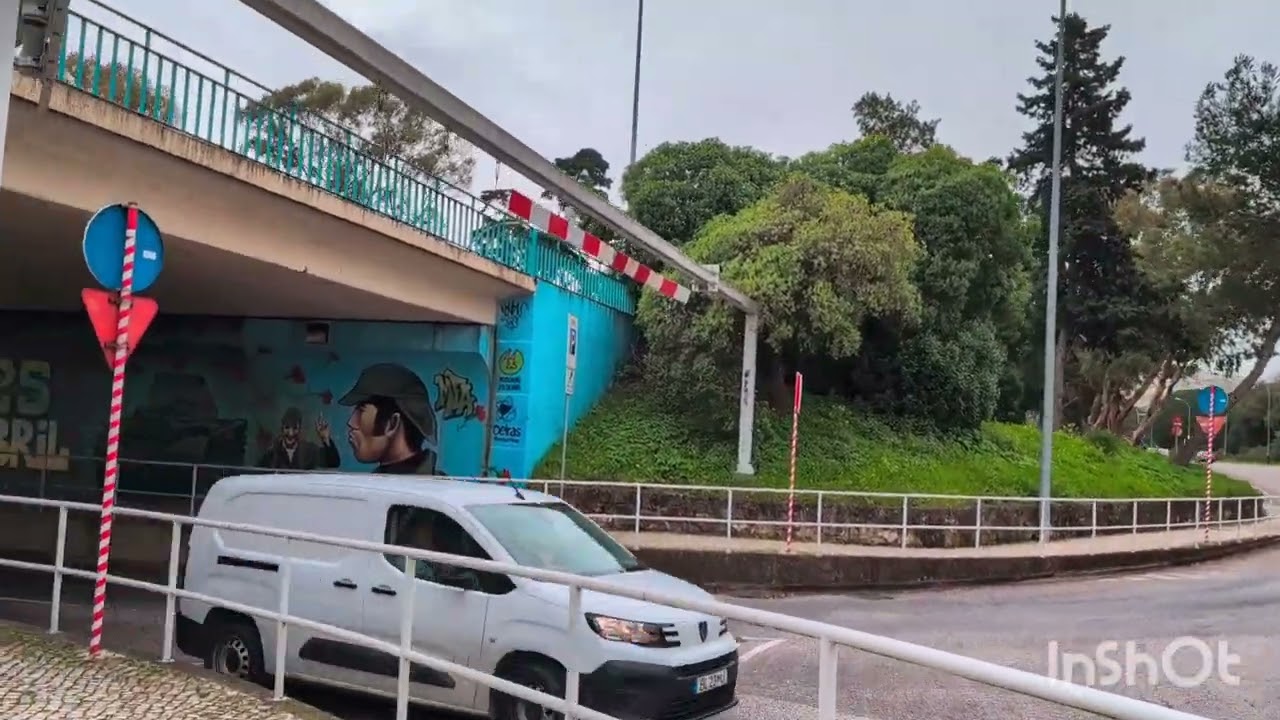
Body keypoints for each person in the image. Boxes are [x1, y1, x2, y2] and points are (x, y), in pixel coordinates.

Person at [339, 363, 440, 475]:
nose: (351, 422)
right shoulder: (381, 480)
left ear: (392, 423)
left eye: (361, 411)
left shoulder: (436, 485)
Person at [257, 407, 340, 470]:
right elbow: (256, 474)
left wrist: (326, 438)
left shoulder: (310, 451)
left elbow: (333, 463)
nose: (291, 433)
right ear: (282, 428)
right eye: (287, 427)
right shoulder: (272, 454)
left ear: (300, 429)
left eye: (295, 428)